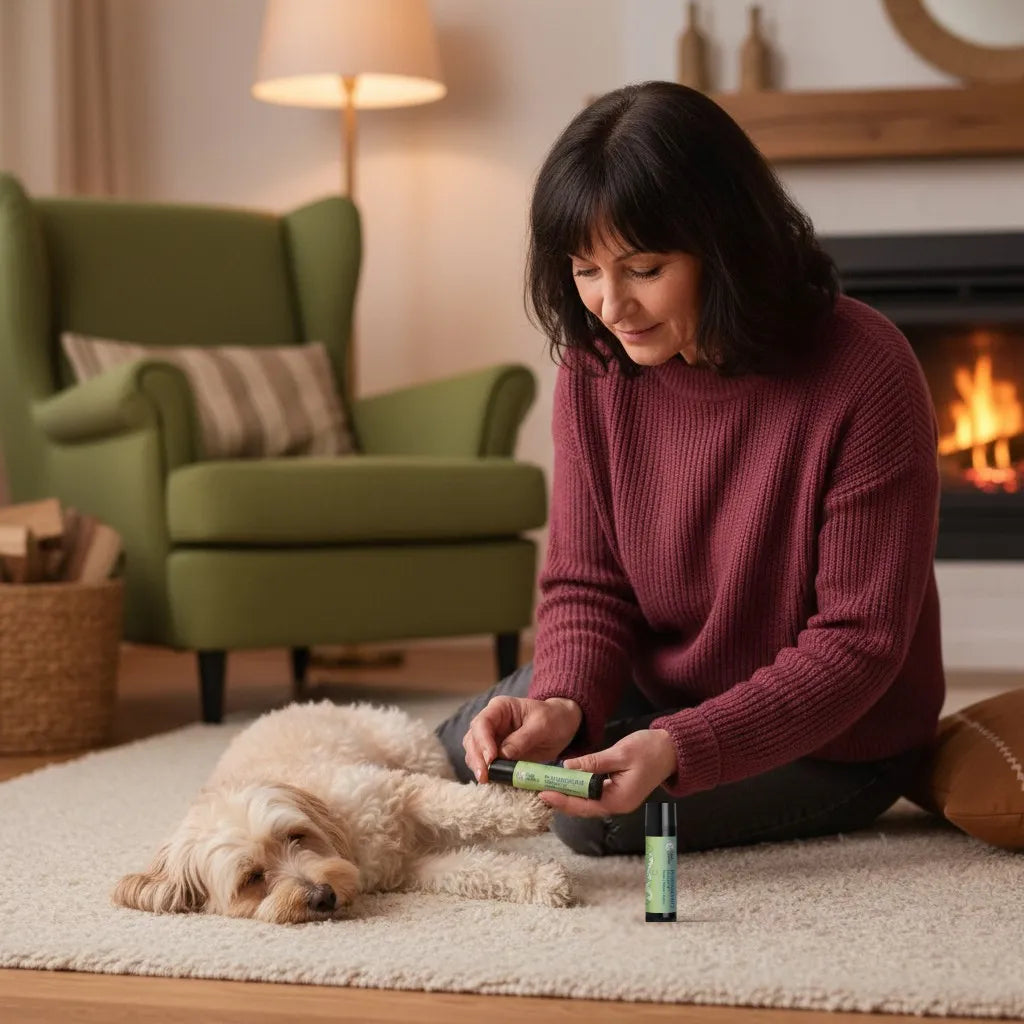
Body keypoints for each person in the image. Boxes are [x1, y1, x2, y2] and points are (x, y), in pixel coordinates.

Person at [434, 81, 945, 857]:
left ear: (726, 242)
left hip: (837, 739)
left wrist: (680, 748)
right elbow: (587, 584)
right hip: (667, 682)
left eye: (643, 268)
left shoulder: (867, 371)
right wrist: (566, 700)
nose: (610, 305)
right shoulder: (596, 364)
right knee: (473, 741)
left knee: (591, 816)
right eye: (584, 270)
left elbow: (857, 647)